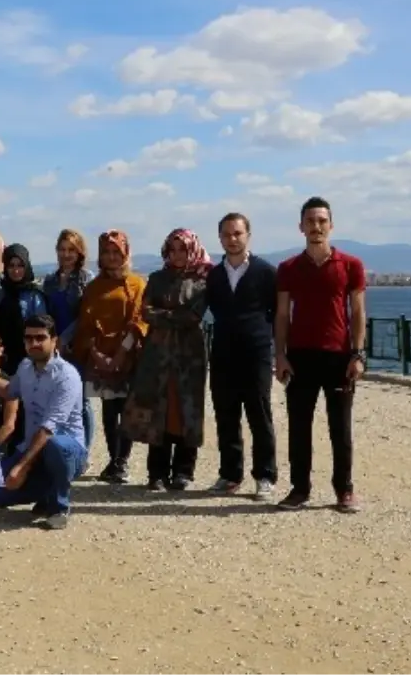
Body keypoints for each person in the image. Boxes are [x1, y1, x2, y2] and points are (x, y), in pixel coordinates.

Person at [275, 197, 366, 513]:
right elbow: (283, 314)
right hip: (300, 356)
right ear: (301, 226)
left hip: (338, 356)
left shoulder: (350, 265)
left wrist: (358, 354)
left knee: (340, 428)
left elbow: (357, 311)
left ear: (331, 225)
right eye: (310, 221)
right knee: (299, 427)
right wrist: (280, 355)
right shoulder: (288, 268)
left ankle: (345, 490)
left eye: (321, 221)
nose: (316, 227)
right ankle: (299, 489)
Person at [0, 314, 88, 530]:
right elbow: (9, 391)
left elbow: (49, 429)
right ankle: (46, 492)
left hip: (66, 449)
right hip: (33, 445)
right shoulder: (25, 366)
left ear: (54, 340)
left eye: (41, 338)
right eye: (29, 338)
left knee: (54, 445)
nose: (34, 343)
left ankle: (59, 507)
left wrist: (21, 467)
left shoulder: (67, 376)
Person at [125, 229, 211, 492]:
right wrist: (175, 314)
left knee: (187, 411)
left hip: (190, 357)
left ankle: (184, 471)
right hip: (158, 355)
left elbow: (194, 316)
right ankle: (157, 473)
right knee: (158, 410)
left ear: (192, 250)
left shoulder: (203, 280)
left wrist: (166, 315)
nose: (177, 255)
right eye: (172, 249)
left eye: (182, 249)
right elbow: (146, 312)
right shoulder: (157, 278)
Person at [206, 212, 278, 501]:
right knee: (226, 416)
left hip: (256, 354)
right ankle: (230, 474)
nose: (232, 239)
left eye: (237, 233)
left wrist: (273, 347)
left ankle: (265, 476)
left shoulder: (266, 272)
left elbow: (278, 312)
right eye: (226, 234)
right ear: (220, 238)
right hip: (223, 353)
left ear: (248, 235)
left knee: (259, 416)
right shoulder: (213, 275)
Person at [70, 230, 147, 484]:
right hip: (100, 357)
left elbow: (138, 321)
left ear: (125, 253)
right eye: (107, 252)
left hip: (129, 356)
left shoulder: (137, 284)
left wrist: (121, 354)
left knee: (126, 410)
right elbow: (86, 324)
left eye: (116, 252)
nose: (112, 257)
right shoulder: (93, 288)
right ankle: (113, 460)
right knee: (108, 410)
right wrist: (96, 354)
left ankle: (122, 462)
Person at [0, 244, 48, 376]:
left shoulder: (35, 295)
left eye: (20, 265)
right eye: (11, 266)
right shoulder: (0, 294)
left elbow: (41, 328)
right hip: (5, 359)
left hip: (31, 359)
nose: (16, 270)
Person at [42, 229, 95, 344]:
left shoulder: (87, 278)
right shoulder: (50, 280)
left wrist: (64, 339)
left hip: (79, 342)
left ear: (79, 252)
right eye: (62, 250)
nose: (66, 254)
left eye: (71, 250)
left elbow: (86, 316)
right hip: (53, 342)